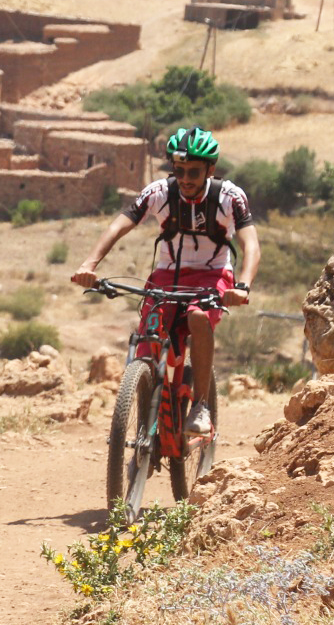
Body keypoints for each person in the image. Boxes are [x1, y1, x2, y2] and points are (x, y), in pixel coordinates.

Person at [70, 125, 260, 436]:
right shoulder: (159, 192)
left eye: (194, 172)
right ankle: (148, 413)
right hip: (166, 276)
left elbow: (250, 243)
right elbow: (120, 225)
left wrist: (243, 285)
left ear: (210, 170)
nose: (185, 178)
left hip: (213, 276)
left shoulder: (229, 197)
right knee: (148, 339)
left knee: (198, 318)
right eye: (179, 170)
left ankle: (201, 406)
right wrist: (89, 265)